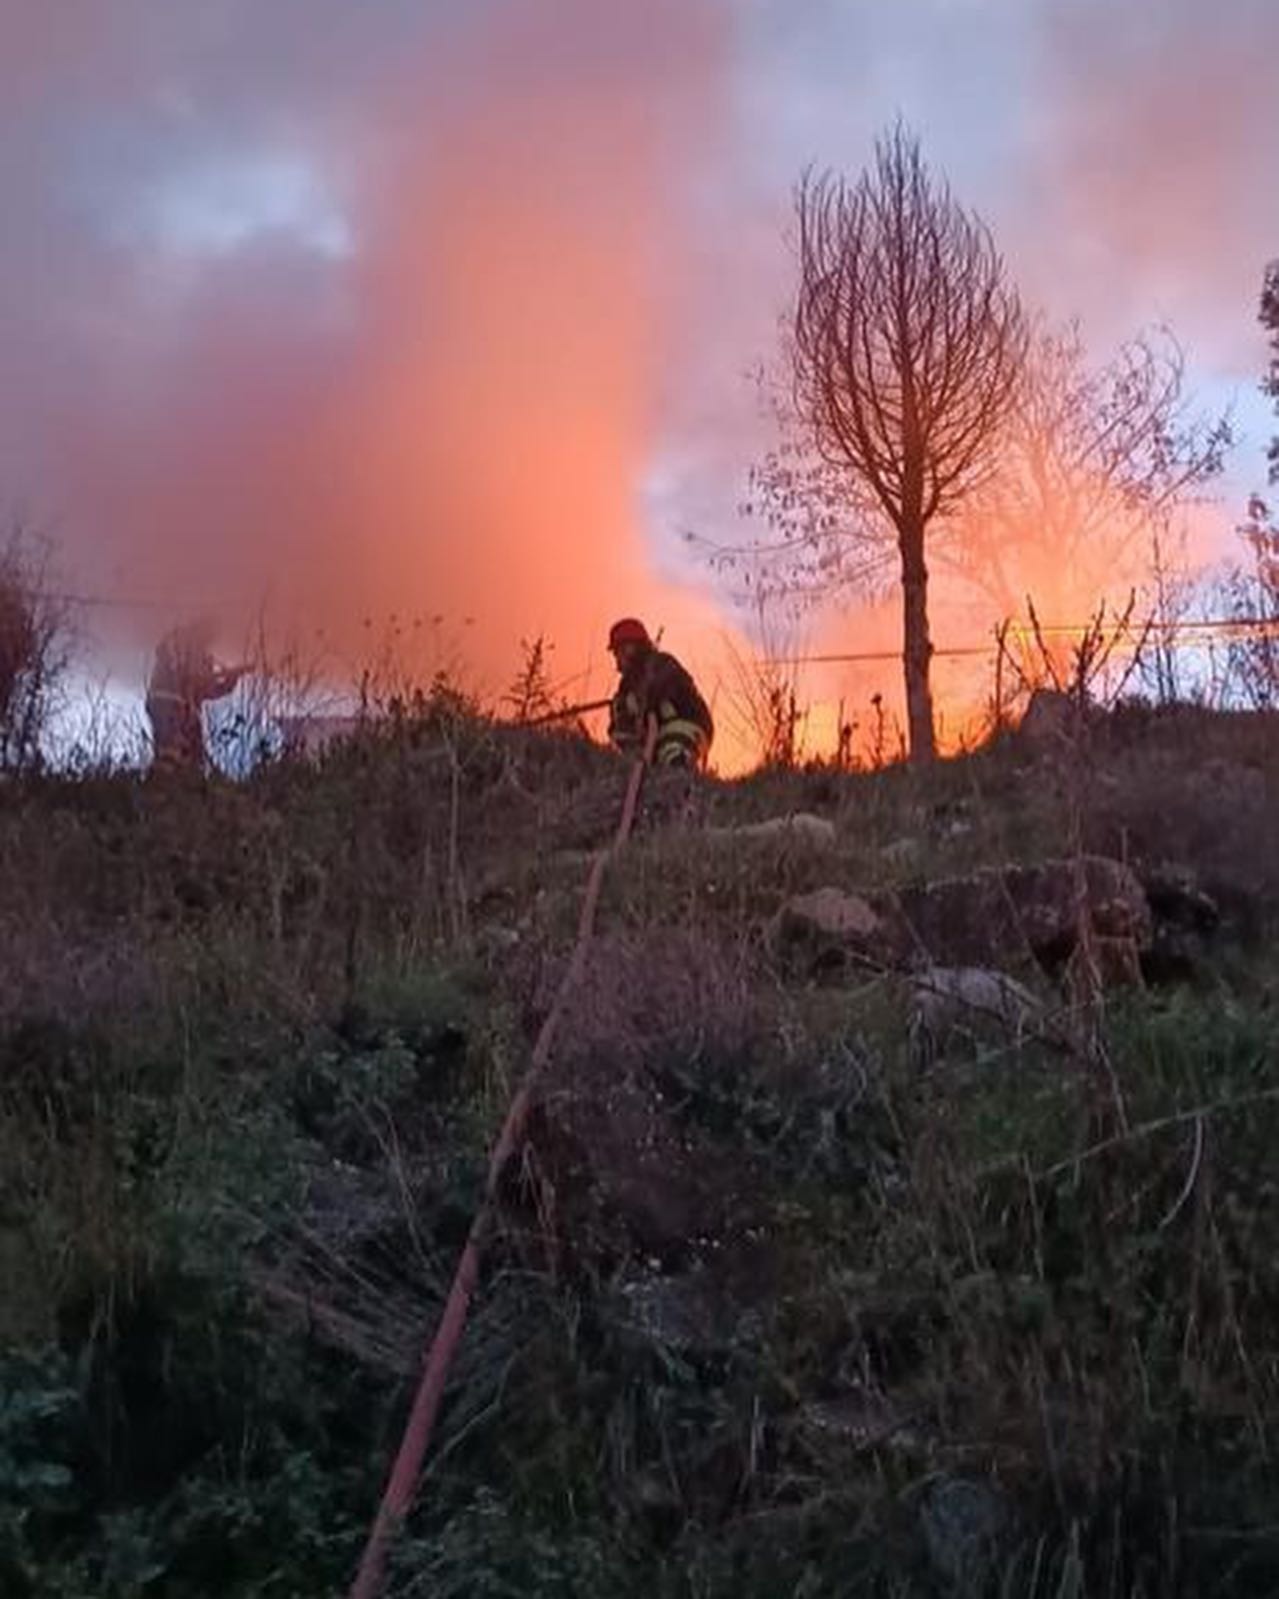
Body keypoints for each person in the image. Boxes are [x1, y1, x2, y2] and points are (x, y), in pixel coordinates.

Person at [606, 618, 713, 769]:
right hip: (657, 734)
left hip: (687, 722)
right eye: (616, 652)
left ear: (637, 646)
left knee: (672, 754)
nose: (618, 656)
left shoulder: (662, 663)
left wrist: (636, 701)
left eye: (622, 649)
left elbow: (660, 689)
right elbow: (618, 725)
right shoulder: (626, 685)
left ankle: (684, 783)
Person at [146, 618, 247, 772]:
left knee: (182, 754)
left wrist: (231, 679)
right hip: (175, 707)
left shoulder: (183, 648)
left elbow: (205, 689)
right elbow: (200, 683)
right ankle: (170, 784)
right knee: (172, 753)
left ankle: (176, 785)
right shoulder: (186, 648)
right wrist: (226, 678)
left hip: (173, 707)